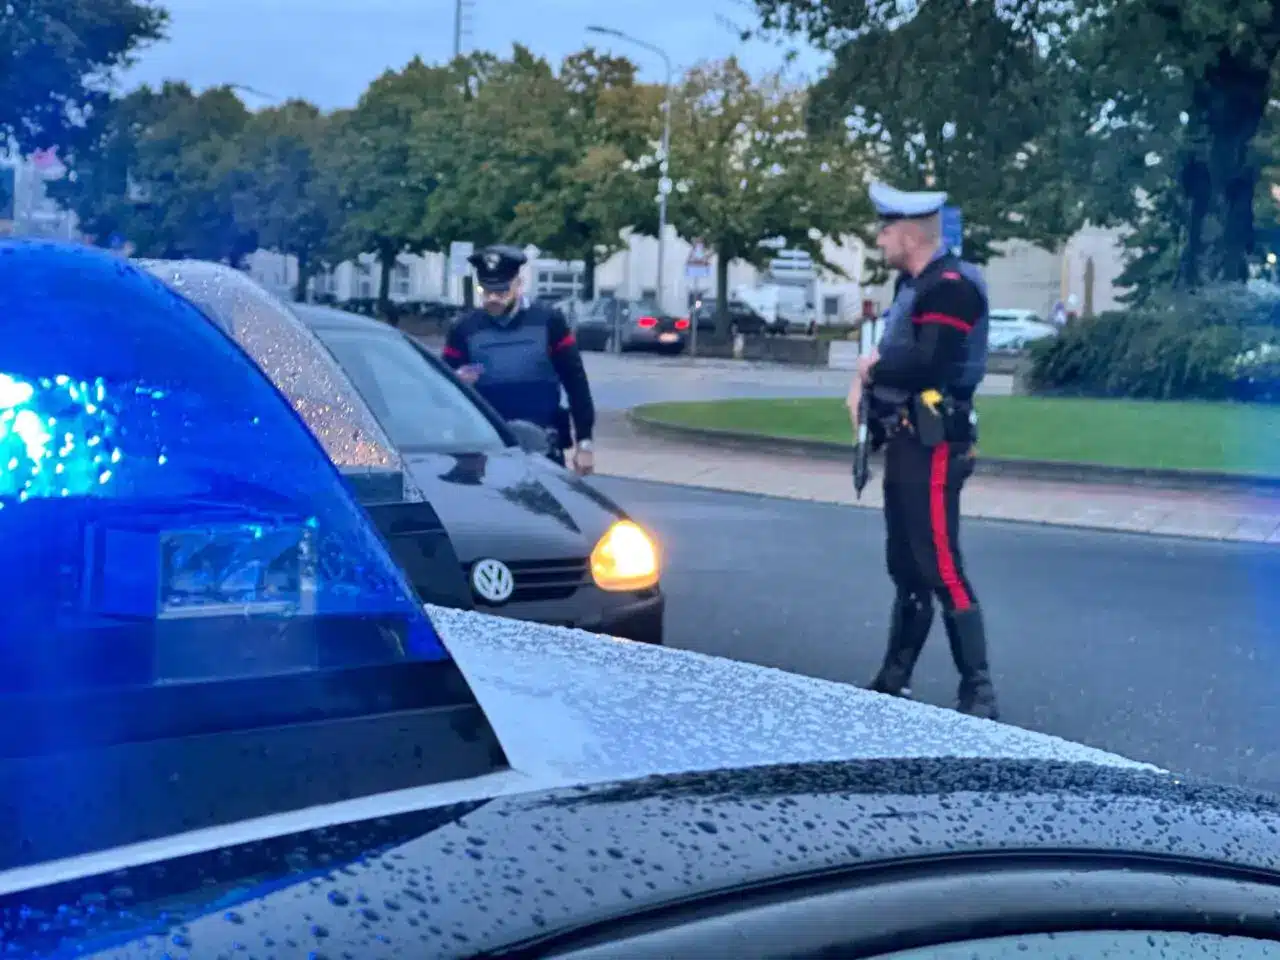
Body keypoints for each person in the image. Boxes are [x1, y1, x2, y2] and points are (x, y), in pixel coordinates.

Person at [856, 181, 998, 720]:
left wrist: (871, 368)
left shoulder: (953, 288)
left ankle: (978, 691)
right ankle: (894, 680)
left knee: (940, 561)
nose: (879, 238)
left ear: (911, 233)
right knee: (907, 562)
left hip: (938, 440)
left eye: (885, 229)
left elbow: (929, 364)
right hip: (908, 438)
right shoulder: (913, 285)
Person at [443, 245, 596, 475]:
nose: (493, 298)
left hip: (543, 445)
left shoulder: (548, 321)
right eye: (485, 291)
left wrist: (584, 442)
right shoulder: (464, 328)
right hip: (485, 448)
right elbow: (442, 385)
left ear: (518, 284)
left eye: (501, 291)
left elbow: (575, 382)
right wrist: (458, 381)